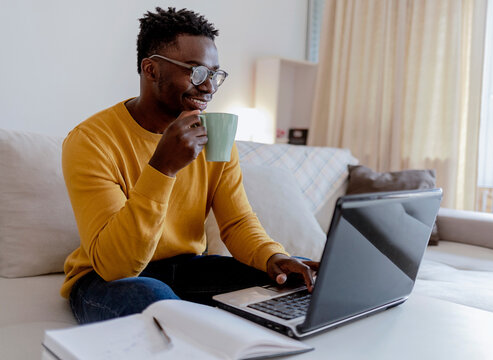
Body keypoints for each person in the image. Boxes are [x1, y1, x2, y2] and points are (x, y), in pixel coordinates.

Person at [61, 7, 318, 324]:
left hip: (188, 269)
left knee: (299, 277)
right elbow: (116, 264)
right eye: (196, 72)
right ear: (151, 69)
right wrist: (162, 168)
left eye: (214, 74)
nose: (209, 87)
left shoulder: (215, 134)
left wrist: (273, 256)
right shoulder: (90, 140)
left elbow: (236, 222)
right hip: (106, 279)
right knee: (153, 299)